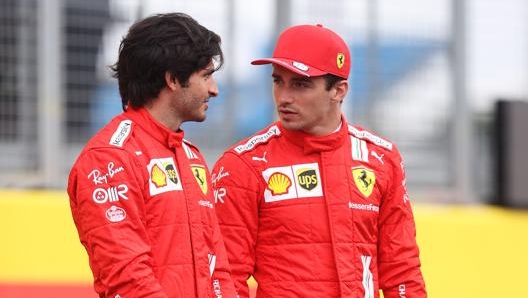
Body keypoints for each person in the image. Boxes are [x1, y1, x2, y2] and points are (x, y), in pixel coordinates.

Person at [211, 24, 427, 298]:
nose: (285, 97)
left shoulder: (381, 159)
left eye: (301, 85)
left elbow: (402, 269)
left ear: (339, 90)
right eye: (278, 81)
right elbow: (226, 276)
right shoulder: (243, 165)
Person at [67, 13, 238, 298]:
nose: (214, 89)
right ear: (172, 79)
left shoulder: (191, 157)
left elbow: (217, 269)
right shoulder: (109, 158)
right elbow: (126, 278)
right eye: (206, 76)